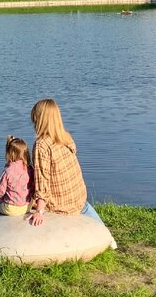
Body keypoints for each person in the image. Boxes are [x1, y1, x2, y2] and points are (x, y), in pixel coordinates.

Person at [27, 99, 111, 241]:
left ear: (38, 119)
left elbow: (43, 179)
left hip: (62, 204)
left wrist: (39, 211)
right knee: (102, 233)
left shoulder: (42, 145)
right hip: (78, 196)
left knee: (23, 203)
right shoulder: (65, 136)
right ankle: (108, 239)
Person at [0, 135, 34, 216]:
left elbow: (0, 189)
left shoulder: (8, 171)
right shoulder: (30, 169)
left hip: (11, 208)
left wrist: (0, 201)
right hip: (27, 207)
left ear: (9, 154)